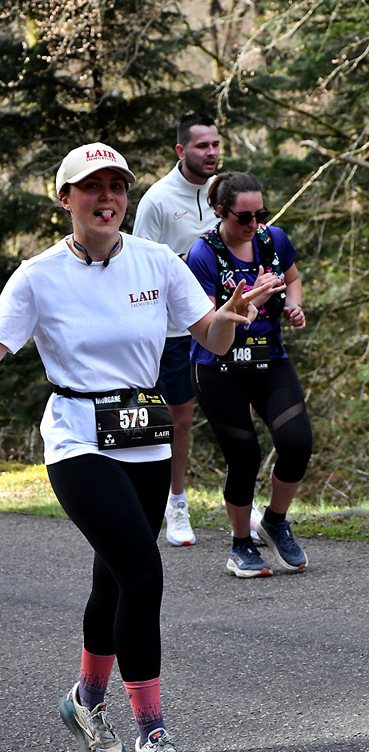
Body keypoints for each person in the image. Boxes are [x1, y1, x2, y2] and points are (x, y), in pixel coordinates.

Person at [0, 144, 280, 752]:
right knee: (143, 572)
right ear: (65, 197)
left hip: (145, 434)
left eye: (116, 186)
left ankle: (84, 703)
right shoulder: (38, 275)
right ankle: (153, 736)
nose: (107, 197)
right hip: (77, 437)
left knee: (115, 580)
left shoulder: (158, 261)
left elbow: (209, 336)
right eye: (91, 186)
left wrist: (231, 320)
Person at [186, 171, 313, 578]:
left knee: (297, 443)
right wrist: (248, 304)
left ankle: (275, 521)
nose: (254, 224)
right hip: (218, 366)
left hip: (268, 358)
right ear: (221, 212)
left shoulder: (273, 240)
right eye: (244, 217)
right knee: (244, 458)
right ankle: (240, 544)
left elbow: (292, 278)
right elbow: (209, 327)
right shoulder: (203, 254)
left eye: (261, 214)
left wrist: (293, 306)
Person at [133, 112, 223, 547]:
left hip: (222, 323)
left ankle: (242, 504)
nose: (211, 153)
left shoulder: (223, 192)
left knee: (234, 412)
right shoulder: (157, 200)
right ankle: (176, 502)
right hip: (173, 331)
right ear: (180, 150)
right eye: (202, 146)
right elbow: (138, 266)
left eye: (216, 144)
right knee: (180, 419)